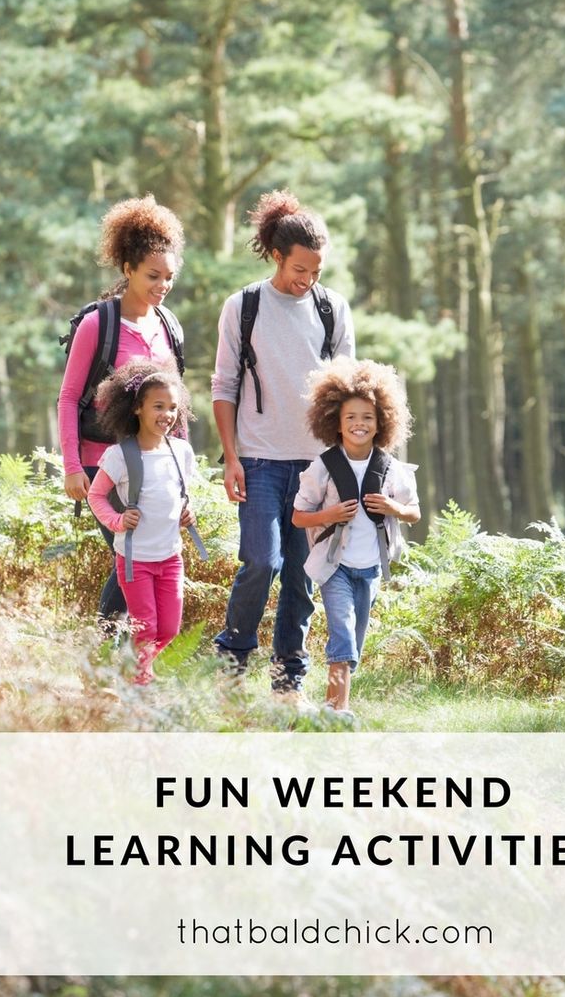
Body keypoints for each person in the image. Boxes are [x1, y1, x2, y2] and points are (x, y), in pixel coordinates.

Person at [211, 190, 355, 707]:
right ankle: (232, 660)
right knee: (260, 560)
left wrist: (345, 465)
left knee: (302, 572)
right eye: (299, 269)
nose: (307, 280)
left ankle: (288, 679)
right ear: (276, 254)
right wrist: (230, 457)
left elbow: (348, 391)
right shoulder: (244, 306)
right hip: (259, 459)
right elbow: (223, 386)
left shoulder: (332, 309)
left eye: (315, 271)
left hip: (317, 464)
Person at [58, 195, 186, 628]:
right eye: (153, 275)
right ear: (128, 269)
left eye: (169, 276)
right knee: (130, 552)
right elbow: (69, 396)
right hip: (104, 465)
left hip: (154, 466)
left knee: (142, 558)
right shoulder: (99, 324)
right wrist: (73, 467)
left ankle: (116, 661)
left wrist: (182, 468)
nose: (162, 285)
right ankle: (109, 656)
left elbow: (175, 402)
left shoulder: (170, 327)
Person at [292, 357, 420, 717]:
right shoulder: (323, 467)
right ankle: (336, 711)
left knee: (354, 644)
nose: (359, 424)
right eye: (350, 418)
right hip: (336, 567)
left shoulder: (392, 469)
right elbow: (299, 516)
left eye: (367, 417)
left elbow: (415, 512)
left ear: (382, 423)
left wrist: (393, 508)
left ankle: (333, 704)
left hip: (372, 569)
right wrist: (329, 515)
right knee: (343, 636)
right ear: (335, 421)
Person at [87, 358, 197, 684]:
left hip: (170, 557)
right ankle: (140, 681)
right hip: (134, 560)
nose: (167, 414)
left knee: (170, 628)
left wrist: (187, 511)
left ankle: (131, 665)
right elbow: (96, 496)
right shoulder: (121, 456)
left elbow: (180, 494)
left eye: (173, 407)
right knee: (146, 625)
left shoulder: (181, 452)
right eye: (158, 406)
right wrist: (117, 520)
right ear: (137, 408)